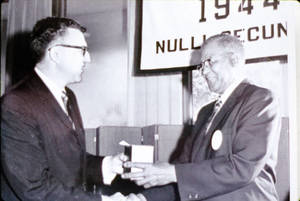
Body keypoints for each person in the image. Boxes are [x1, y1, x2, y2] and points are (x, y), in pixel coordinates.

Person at [122, 34, 281, 201]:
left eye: (210, 62)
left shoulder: (260, 99)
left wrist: (172, 173)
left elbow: (242, 168)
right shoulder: (205, 112)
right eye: (201, 65)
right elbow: (184, 174)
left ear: (233, 59)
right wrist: (141, 198)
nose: (203, 71)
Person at [1, 17, 127, 201]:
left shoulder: (69, 97)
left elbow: (68, 160)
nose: (88, 58)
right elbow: (34, 188)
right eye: (82, 50)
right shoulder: (15, 104)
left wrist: (108, 165)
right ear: (56, 54)